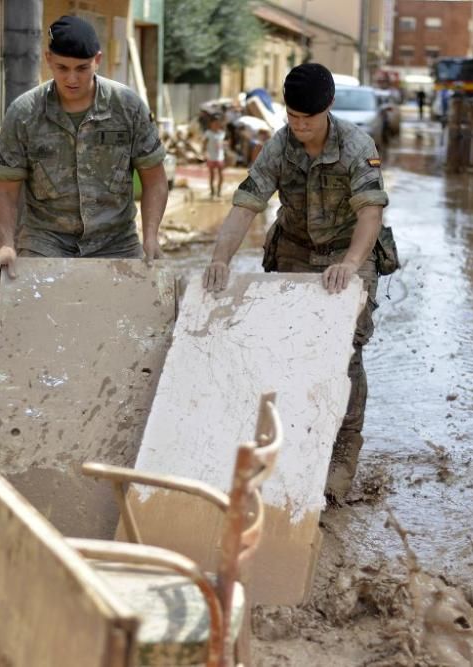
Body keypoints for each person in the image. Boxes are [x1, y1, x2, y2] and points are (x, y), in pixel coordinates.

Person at [201, 63, 392, 502]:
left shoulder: (356, 145)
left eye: (308, 118)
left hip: (350, 249)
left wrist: (349, 262)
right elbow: (247, 205)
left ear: (326, 108)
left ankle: (344, 449)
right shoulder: (280, 145)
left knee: (347, 347)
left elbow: (370, 214)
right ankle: (292, 439)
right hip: (294, 248)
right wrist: (220, 259)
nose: (300, 126)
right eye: (293, 117)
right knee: (285, 345)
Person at [0, 15, 167, 280]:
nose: (72, 78)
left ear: (97, 60)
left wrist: (151, 236)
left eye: (82, 68)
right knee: (40, 318)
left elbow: (154, 179)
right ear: (48, 59)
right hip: (45, 241)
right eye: (62, 68)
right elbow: (4, 189)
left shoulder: (128, 107)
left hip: (115, 241)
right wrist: (6, 243)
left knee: (125, 317)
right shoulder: (24, 113)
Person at [203, 114, 227, 199]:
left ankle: (219, 191)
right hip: (211, 157)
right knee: (212, 175)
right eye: (215, 123)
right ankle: (212, 191)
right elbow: (204, 144)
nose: (216, 125)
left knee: (221, 175)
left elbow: (225, 143)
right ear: (211, 124)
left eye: (218, 123)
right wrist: (204, 153)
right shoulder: (208, 133)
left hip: (220, 157)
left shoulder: (222, 133)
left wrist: (224, 144)